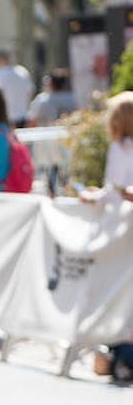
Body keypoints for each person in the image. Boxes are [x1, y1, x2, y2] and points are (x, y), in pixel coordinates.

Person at [78, 91, 133, 382]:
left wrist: (97, 197)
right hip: (122, 230)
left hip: (119, 233)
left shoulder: (120, 149)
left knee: (116, 292)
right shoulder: (120, 148)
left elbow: (114, 189)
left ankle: (121, 352)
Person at [0, 50, 34, 129]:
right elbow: (30, 93)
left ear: (1, 60)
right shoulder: (23, 71)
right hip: (24, 115)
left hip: (7, 117)